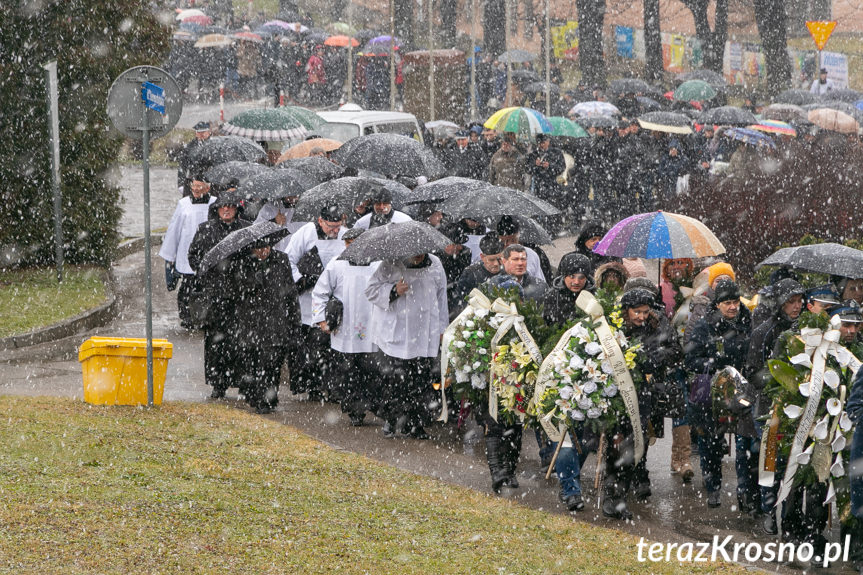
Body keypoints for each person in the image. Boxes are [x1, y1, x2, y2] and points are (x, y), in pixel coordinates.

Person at [601, 287, 680, 519]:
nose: (642, 317)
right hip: (617, 397)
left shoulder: (658, 325)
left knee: (636, 446)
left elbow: (675, 350)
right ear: (626, 311)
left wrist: (656, 357)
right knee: (616, 447)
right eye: (637, 312)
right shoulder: (613, 327)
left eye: (645, 312)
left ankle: (621, 497)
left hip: (644, 395)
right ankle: (610, 496)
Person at [365, 250, 448, 439]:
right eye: (414, 254)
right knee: (396, 380)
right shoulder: (390, 263)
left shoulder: (435, 264)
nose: (418, 257)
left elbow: (442, 296)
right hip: (398, 333)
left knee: (420, 381)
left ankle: (415, 424)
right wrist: (394, 290)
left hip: (425, 331)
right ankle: (392, 419)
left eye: (421, 253)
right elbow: (370, 290)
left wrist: (443, 327)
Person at [685, 280, 753, 510]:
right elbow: (690, 360)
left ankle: (744, 491)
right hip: (713, 393)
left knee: (744, 444)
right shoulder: (705, 326)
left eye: (735, 302)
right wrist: (714, 364)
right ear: (717, 304)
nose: (733, 307)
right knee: (712, 442)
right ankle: (713, 485)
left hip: (743, 390)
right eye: (727, 303)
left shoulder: (748, 322)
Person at [744, 278, 804, 535]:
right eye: (791, 301)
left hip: (799, 407)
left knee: (795, 462)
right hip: (770, 407)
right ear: (780, 303)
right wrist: (781, 377)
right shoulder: (764, 331)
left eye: (800, 301)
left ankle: (791, 515)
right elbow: (752, 372)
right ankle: (768, 509)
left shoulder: (807, 329)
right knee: (771, 461)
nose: (796, 306)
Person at [226, 229, 301, 413]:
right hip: (251, 320)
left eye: (266, 247)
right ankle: (256, 396)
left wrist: (293, 319)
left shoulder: (281, 260)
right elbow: (236, 289)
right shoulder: (242, 262)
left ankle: (269, 398)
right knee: (253, 361)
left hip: (275, 319)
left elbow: (290, 291)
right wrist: (252, 282)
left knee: (272, 362)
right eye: (259, 249)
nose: (263, 252)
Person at [311, 228, 381, 426]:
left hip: (372, 325)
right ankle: (354, 409)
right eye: (348, 243)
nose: (351, 247)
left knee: (370, 369)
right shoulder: (337, 264)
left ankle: (370, 404)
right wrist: (322, 320)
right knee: (347, 371)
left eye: (355, 242)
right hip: (345, 326)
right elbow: (320, 292)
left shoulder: (378, 264)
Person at [188, 192, 251, 399]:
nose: (226, 210)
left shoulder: (245, 229)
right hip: (214, 294)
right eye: (223, 207)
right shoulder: (206, 229)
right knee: (215, 342)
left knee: (241, 340)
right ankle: (218, 382)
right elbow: (194, 255)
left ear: (236, 209)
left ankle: (242, 381)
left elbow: (252, 257)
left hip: (240, 294)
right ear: (217, 209)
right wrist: (206, 274)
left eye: (231, 207)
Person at [284, 205, 347, 400]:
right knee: (310, 346)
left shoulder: (344, 235)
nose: (335, 231)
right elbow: (288, 259)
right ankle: (312, 386)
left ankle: (332, 385)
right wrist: (302, 279)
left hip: (334, 298)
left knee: (331, 346)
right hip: (308, 297)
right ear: (320, 221)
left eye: (338, 226)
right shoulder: (306, 233)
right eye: (331, 227)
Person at [159, 172, 215, 328]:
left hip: (208, 250)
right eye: (193, 186)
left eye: (199, 186)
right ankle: (186, 316)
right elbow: (174, 229)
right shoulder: (184, 204)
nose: (195, 189)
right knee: (187, 286)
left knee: (206, 286)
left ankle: (205, 316)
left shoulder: (215, 203)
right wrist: (170, 254)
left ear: (207, 188)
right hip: (186, 250)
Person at [451, 232, 504, 316]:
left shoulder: (508, 271)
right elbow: (460, 302)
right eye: (491, 260)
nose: (496, 264)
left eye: (499, 259)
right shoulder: (471, 273)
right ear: (482, 257)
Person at [541, 252, 594, 327]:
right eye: (572, 276)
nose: (576, 282)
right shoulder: (552, 296)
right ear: (564, 276)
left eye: (581, 277)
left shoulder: (595, 295)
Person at [496, 215, 550, 284]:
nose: (509, 245)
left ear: (518, 237)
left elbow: (540, 283)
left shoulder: (531, 254)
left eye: (512, 240)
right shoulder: (495, 257)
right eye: (504, 241)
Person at [524, 133, 566, 208]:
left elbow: (562, 167)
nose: (541, 145)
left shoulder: (556, 153)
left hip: (553, 187)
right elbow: (528, 169)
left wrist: (549, 166)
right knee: (539, 209)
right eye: (539, 143)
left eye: (543, 143)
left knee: (551, 209)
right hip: (538, 187)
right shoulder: (534, 154)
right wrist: (535, 165)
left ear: (548, 142)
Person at [176, 121, 212, 196]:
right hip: (193, 181)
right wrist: (181, 184)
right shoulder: (189, 147)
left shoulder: (215, 144)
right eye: (198, 132)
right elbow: (182, 166)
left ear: (209, 132)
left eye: (203, 132)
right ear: (195, 133)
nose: (201, 134)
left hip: (211, 182)